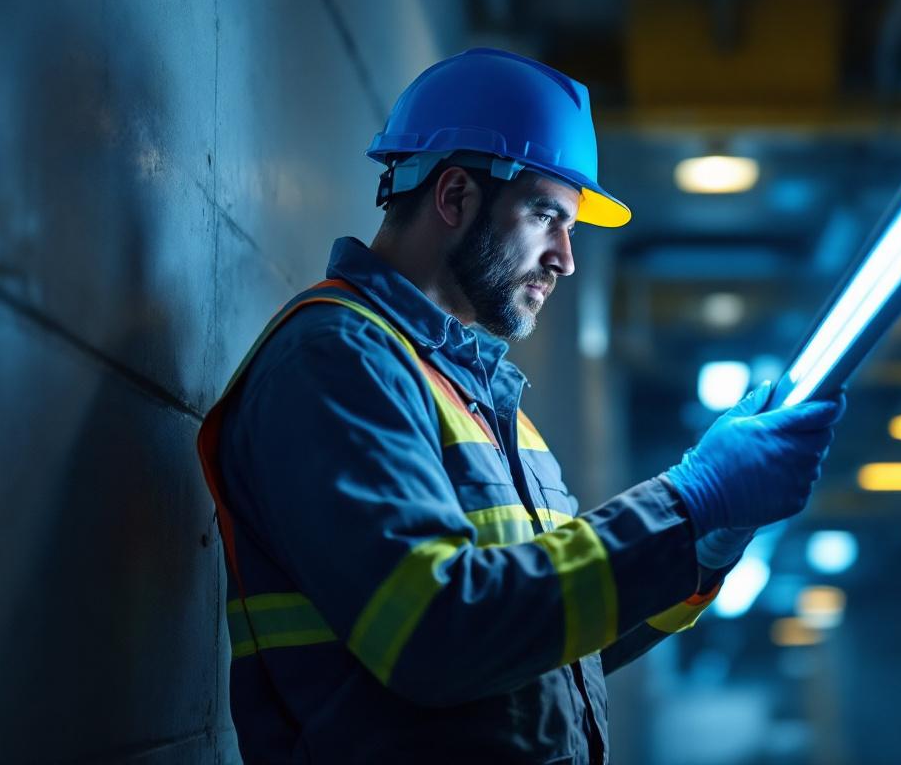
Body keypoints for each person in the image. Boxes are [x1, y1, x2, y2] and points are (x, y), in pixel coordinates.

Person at [197, 47, 844, 763]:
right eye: (546, 216)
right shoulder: (337, 362)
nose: (564, 257)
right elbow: (438, 634)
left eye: (569, 228)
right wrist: (687, 500)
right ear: (454, 197)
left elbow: (550, 647)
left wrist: (701, 548)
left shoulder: (475, 395)